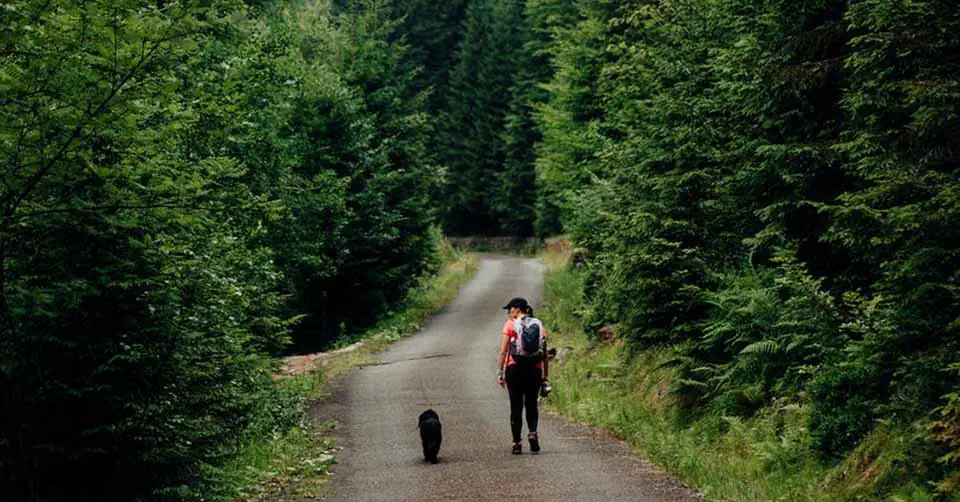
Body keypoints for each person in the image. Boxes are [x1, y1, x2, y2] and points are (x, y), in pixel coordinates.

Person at [496, 297, 549, 454]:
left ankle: (517, 443)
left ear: (517, 310)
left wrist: (500, 372)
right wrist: (545, 375)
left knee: (516, 406)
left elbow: (503, 351)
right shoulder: (539, 325)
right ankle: (532, 433)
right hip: (534, 370)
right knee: (532, 403)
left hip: (515, 369)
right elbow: (544, 353)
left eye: (510, 310)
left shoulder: (510, 325)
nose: (508, 313)